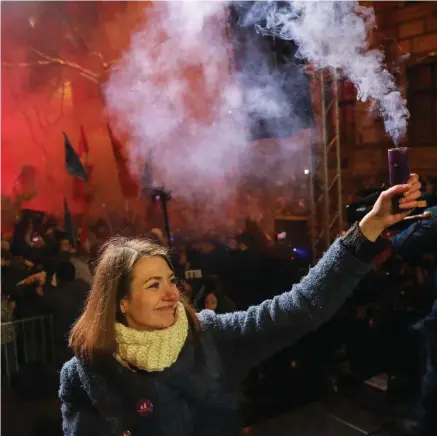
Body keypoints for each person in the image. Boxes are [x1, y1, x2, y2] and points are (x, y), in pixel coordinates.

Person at [59, 178, 421, 436]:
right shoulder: (86, 372)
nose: (172, 293)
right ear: (121, 302)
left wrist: (369, 227)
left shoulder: (210, 336)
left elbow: (301, 306)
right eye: (154, 285)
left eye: (171, 280)